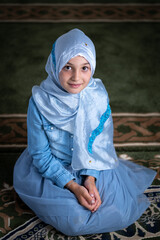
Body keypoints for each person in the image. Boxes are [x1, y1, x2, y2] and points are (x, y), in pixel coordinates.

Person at [13, 28, 157, 236]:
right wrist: (73, 186)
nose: (76, 77)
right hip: (51, 168)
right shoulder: (39, 102)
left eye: (84, 68)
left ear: (93, 68)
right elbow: (41, 155)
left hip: (91, 162)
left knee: (114, 208)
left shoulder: (97, 98)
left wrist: (89, 179)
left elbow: (99, 146)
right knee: (75, 220)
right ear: (54, 66)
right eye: (68, 67)